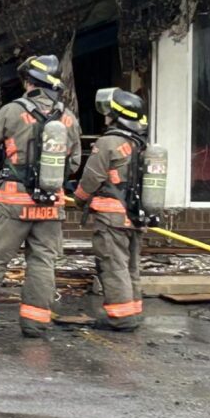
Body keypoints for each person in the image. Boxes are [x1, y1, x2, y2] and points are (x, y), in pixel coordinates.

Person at [0, 55, 81, 339]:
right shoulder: (69, 118)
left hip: (13, 203)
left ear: (29, 83)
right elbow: (73, 165)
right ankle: (35, 324)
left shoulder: (12, 111)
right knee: (42, 262)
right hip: (51, 205)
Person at [74, 87, 150, 332]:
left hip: (112, 218)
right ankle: (134, 312)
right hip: (135, 217)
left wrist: (79, 198)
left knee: (113, 266)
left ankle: (121, 317)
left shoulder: (108, 142)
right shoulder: (140, 143)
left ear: (117, 116)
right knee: (131, 267)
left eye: (108, 112)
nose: (105, 116)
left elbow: (92, 177)